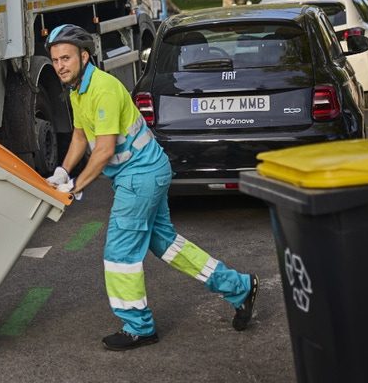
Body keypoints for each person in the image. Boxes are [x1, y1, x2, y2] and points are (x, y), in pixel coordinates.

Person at [47, 24, 257, 351]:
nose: (60, 65)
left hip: (140, 175)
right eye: (56, 59)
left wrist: (74, 188)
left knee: (120, 253)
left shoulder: (102, 88)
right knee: (166, 245)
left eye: (66, 58)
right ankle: (239, 287)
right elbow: (79, 135)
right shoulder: (77, 90)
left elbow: (102, 151)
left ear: (84, 57)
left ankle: (139, 327)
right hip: (146, 171)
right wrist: (62, 170)